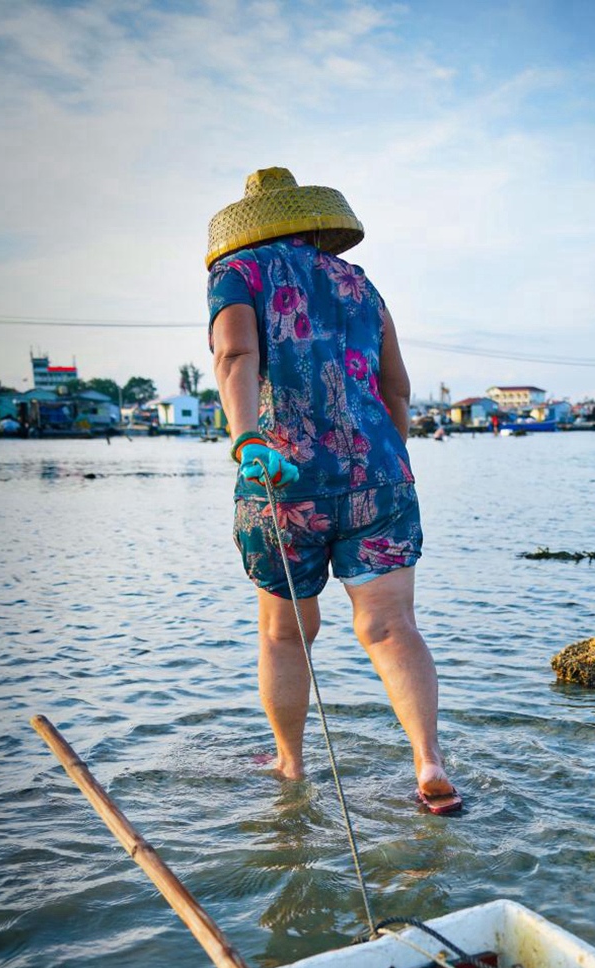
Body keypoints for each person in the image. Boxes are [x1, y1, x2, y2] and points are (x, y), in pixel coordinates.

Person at [207, 167, 461, 813]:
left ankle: (291, 765)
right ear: (315, 221)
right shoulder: (358, 282)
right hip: (376, 472)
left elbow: (236, 357)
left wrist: (247, 438)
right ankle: (428, 759)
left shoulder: (238, 272)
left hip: (281, 479)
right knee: (391, 626)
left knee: (286, 634)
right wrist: (388, 458)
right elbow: (395, 386)